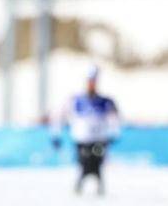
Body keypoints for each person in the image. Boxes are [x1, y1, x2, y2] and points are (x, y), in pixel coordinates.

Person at [51, 65, 121, 195]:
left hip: (99, 140)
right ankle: (80, 184)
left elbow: (115, 118)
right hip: (82, 140)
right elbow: (59, 116)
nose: (91, 85)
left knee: (97, 162)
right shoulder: (75, 100)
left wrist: (114, 133)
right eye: (90, 81)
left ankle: (99, 186)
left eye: (94, 82)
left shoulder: (105, 101)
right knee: (85, 162)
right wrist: (56, 134)